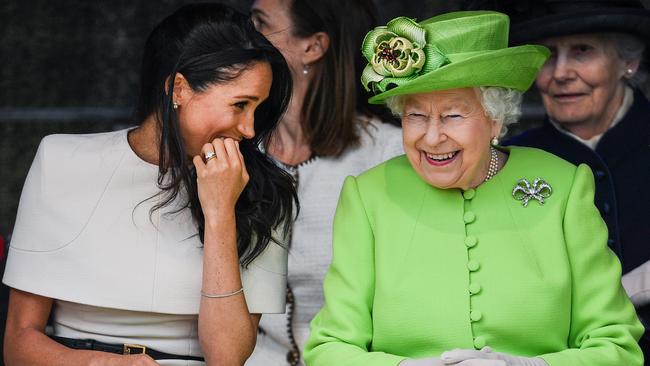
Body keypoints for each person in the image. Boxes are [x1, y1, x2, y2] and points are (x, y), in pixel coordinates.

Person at [304, 11, 643, 366]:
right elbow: (329, 348)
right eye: (415, 116)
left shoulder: (564, 186)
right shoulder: (368, 196)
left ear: (495, 118)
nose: (432, 137)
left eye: (452, 115)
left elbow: (616, 345)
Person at [3, 3, 296, 365]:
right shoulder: (60, 161)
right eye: (239, 105)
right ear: (178, 90)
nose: (250, 129)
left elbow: (227, 357)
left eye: (258, 109)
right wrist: (104, 364)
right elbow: (18, 343)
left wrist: (220, 211)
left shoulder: (262, 190)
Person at [463, 0, 650, 357]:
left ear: (629, 61)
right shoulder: (501, 161)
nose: (561, 72)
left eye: (582, 51)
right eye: (548, 55)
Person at [246, 1, 403, 365]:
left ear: (312, 47)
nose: (242, 36)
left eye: (260, 24)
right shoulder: (234, 151)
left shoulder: (388, 154)